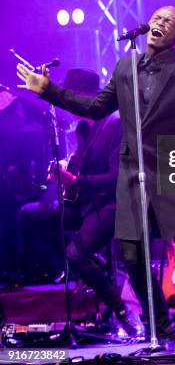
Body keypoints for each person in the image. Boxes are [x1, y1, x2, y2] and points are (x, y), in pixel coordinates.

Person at [17, 5, 175, 352]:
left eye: (169, 21)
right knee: (134, 260)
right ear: (147, 26)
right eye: (157, 18)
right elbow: (94, 108)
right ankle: (163, 336)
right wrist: (49, 90)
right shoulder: (126, 68)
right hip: (134, 179)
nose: (160, 23)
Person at [18, 68, 142, 339]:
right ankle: (87, 265)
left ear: (85, 96)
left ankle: (122, 311)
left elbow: (116, 177)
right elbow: (79, 164)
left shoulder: (114, 123)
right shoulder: (84, 127)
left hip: (112, 204)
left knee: (75, 254)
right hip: (85, 203)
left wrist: (76, 180)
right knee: (29, 217)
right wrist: (62, 170)